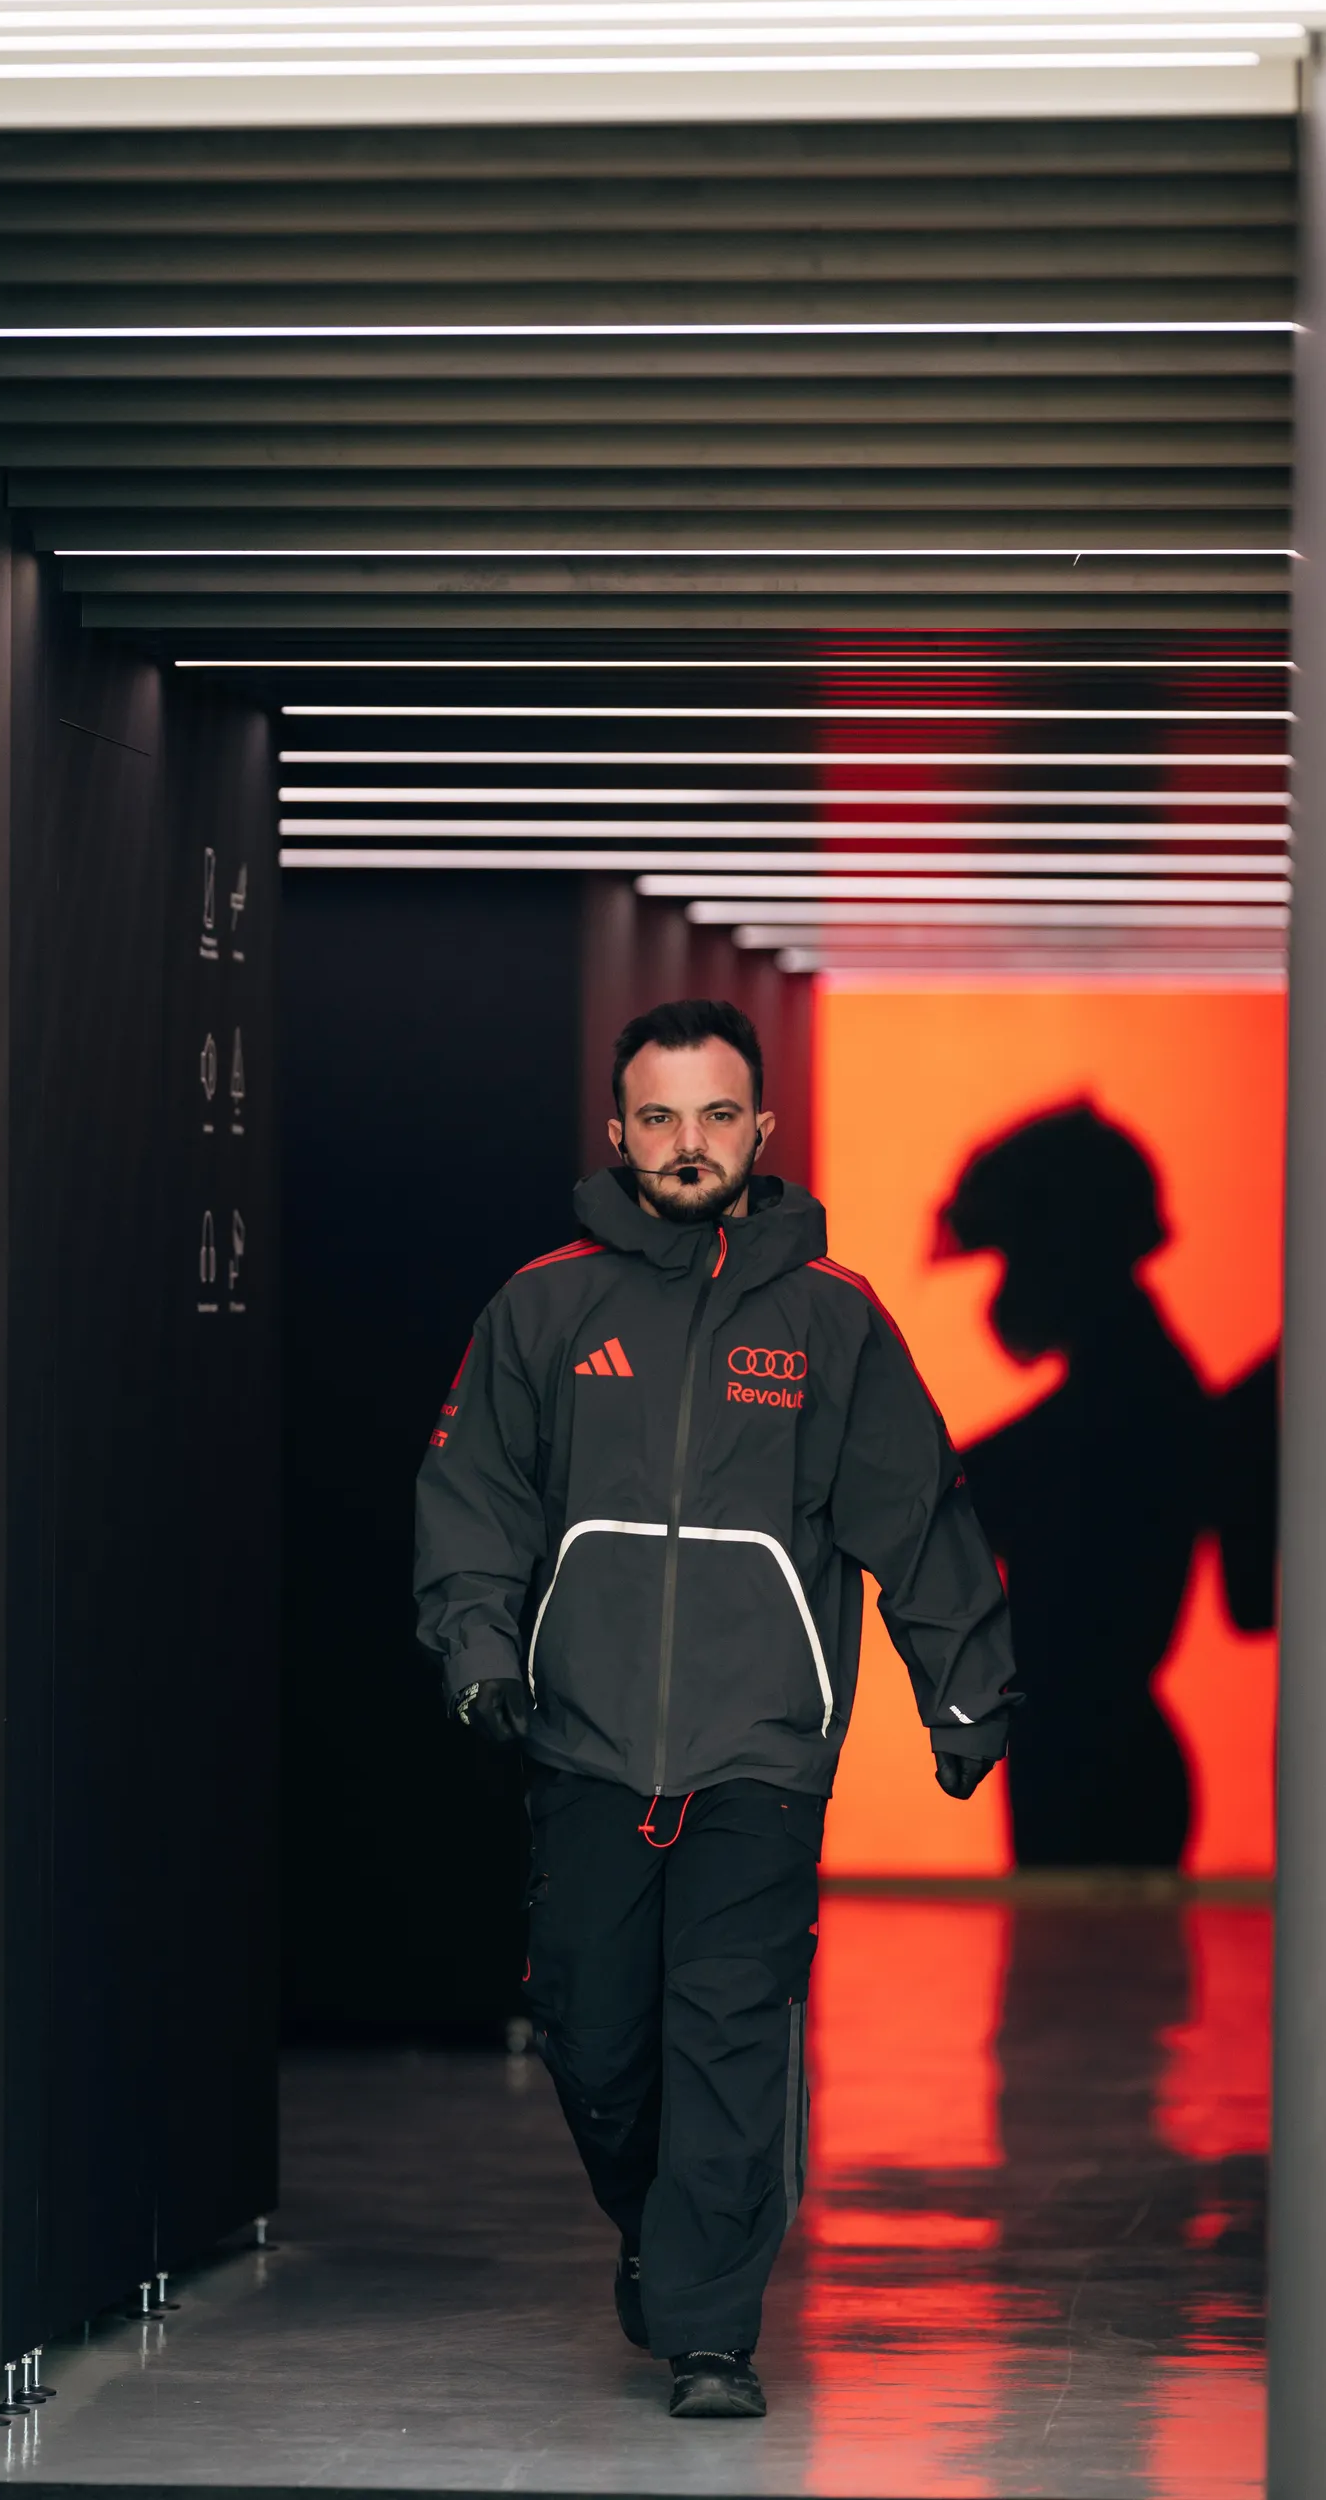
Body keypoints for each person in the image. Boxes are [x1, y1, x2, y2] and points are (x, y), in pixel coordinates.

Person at [413, 997, 1019, 2420]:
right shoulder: (543, 1307)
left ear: (762, 1127)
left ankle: (708, 2333)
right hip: (588, 1740)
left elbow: (915, 1508)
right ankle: (663, 2231)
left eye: (717, 1115)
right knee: (597, 2033)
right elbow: (473, 1497)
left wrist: (967, 1688)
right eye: (661, 1117)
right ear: (619, 1133)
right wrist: (479, 1649)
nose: (690, 1144)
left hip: (762, 1751)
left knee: (733, 2030)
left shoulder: (831, 1319)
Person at [939, 1099, 1277, 1867]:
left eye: (1017, 1255)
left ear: (1067, 1254)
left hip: (1098, 1769)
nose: (1007, 1288)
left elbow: (976, 1487)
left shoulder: (1131, 1398)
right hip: (1087, 1757)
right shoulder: (1133, 1382)